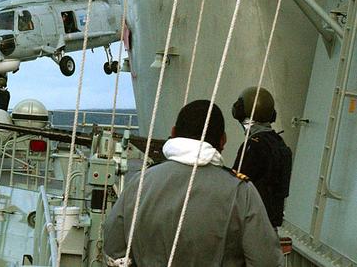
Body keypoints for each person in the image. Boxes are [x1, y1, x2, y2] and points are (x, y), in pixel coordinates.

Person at [103, 100, 283, 266]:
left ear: (173, 133)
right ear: (223, 141)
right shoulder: (241, 192)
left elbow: (114, 249)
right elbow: (266, 261)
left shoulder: (140, 183)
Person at [232, 86, 293, 229]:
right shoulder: (279, 144)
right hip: (270, 224)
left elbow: (236, 186)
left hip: (252, 225)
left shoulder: (253, 146)